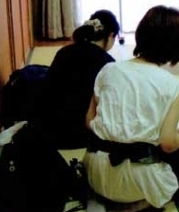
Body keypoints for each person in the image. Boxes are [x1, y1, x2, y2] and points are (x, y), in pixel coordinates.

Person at [83, 5, 179, 212]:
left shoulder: (108, 69)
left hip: (96, 171)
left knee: (155, 144)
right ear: (177, 47)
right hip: (138, 182)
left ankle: (101, 198)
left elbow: (89, 122)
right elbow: (168, 144)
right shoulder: (173, 85)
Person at [31, 10, 120, 149]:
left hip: (46, 131)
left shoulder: (64, 52)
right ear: (111, 36)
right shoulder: (108, 63)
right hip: (79, 137)